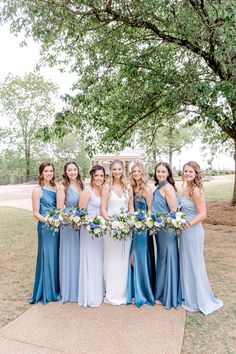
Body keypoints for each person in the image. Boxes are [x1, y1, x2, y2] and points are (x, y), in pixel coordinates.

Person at [180, 161, 223, 315]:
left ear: (196, 173)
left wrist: (187, 225)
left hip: (193, 232)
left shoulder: (196, 190)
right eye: (186, 171)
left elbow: (203, 214)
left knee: (195, 263)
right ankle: (189, 295)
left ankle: (200, 299)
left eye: (191, 172)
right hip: (185, 233)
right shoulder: (185, 189)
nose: (188, 174)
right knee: (187, 263)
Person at [101, 159, 133, 305]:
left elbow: (131, 208)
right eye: (114, 169)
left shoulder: (128, 187)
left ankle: (124, 292)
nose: (117, 172)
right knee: (112, 258)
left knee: (124, 259)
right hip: (111, 229)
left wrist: (127, 221)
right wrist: (112, 223)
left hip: (126, 228)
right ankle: (112, 292)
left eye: (119, 169)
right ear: (110, 170)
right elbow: (103, 209)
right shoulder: (106, 187)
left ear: (123, 170)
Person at [152, 162, 182, 309]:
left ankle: (167, 295)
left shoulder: (168, 188)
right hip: (160, 230)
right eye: (158, 171)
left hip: (167, 230)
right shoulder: (159, 187)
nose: (160, 174)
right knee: (162, 259)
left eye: (163, 172)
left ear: (168, 173)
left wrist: (164, 223)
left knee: (167, 259)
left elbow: (174, 212)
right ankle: (162, 292)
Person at [30, 162, 60, 304]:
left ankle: (56, 288)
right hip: (45, 227)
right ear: (41, 173)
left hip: (57, 226)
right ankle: (47, 292)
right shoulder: (37, 189)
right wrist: (48, 221)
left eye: (51, 171)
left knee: (55, 256)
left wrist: (57, 220)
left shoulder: (55, 187)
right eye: (46, 171)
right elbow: (36, 213)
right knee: (47, 256)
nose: (49, 173)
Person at [127, 161, 155, 308]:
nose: (136, 174)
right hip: (134, 225)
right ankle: (135, 290)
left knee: (138, 257)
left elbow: (150, 210)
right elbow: (131, 207)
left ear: (143, 173)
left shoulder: (147, 189)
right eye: (134, 172)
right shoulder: (131, 188)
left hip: (143, 228)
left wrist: (143, 223)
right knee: (133, 257)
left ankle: (143, 292)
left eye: (139, 171)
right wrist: (133, 220)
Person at [78, 165, 105, 307]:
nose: (99, 178)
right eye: (97, 176)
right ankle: (91, 295)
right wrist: (90, 226)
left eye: (101, 175)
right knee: (91, 259)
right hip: (88, 230)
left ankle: (99, 292)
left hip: (100, 230)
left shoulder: (102, 191)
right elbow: (80, 213)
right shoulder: (86, 192)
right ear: (92, 177)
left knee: (99, 260)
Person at [57, 161, 83, 303]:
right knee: (69, 254)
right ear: (65, 172)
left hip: (81, 223)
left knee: (79, 255)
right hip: (68, 223)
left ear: (78, 170)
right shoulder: (63, 186)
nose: (72, 172)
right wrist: (71, 218)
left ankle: (80, 288)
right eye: (69, 170)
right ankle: (68, 289)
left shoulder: (82, 184)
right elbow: (60, 209)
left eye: (74, 169)